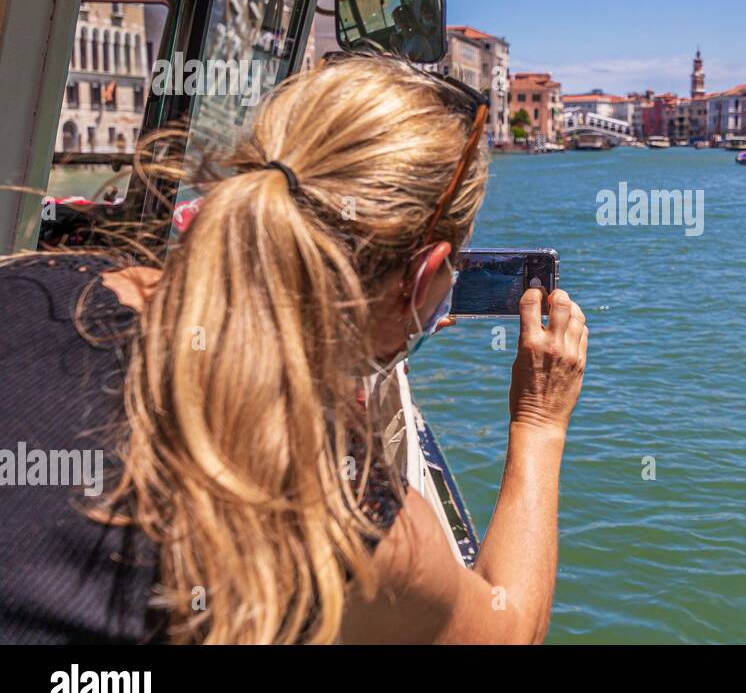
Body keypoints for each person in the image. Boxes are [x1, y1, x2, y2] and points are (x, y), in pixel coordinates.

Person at [0, 54, 587, 644]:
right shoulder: (348, 510)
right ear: (424, 273)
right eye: (451, 269)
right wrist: (540, 421)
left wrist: (368, 328)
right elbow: (508, 628)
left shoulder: (41, 282)